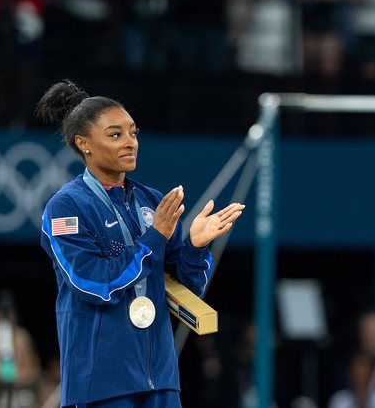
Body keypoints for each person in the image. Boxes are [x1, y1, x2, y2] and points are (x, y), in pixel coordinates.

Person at [35, 80, 245, 408]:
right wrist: (153, 238)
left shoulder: (151, 202)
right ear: (84, 143)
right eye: (115, 134)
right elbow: (92, 283)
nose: (130, 142)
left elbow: (186, 286)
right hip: (100, 381)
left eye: (133, 133)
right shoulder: (66, 207)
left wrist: (195, 245)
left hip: (159, 379)